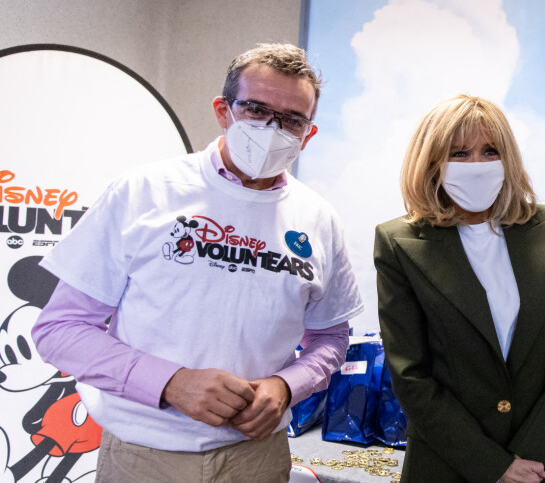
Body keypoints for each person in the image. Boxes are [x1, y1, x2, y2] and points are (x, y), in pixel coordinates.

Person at [32, 42, 364, 483]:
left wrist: (286, 387)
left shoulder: (318, 219)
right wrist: (169, 383)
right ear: (223, 111)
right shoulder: (143, 192)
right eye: (256, 109)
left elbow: (330, 338)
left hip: (257, 458)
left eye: (291, 120)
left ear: (309, 133)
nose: (272, 128)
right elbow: (60, 330)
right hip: (144, 456)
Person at [374, 94, 545, 483]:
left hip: (540, 464)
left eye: (490, 151)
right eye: (459, 153)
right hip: (447, 465)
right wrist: (494, 466)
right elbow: (411, 375)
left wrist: (529, 451)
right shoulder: (399, 242)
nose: (478, 165)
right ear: (432, 161)